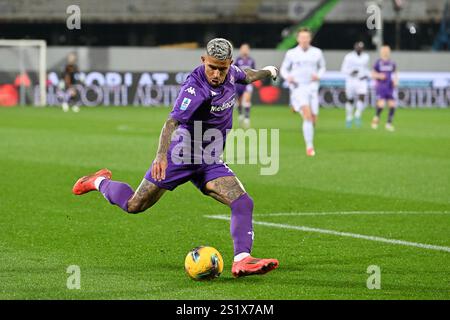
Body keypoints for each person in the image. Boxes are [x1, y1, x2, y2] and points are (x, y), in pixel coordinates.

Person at [72, 38, 280, 278]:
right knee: (134, 205)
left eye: (221, 69)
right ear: (203, 60)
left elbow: (247, 74)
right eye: (211, 67)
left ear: (229, 64)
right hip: (181, 157)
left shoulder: (231, 73)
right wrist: (161, 156)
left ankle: (242, 260)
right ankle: (98, 181)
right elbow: (172, 121)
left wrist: (269, 71)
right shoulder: (196, 88)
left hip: (209, 158)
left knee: (243, 202)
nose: (215, 73)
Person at [280, 27, 326, 157]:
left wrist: (319, 75)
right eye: (302, 37)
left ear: (310, 39)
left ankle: (295, 106)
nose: (304, 40)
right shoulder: (291, 53)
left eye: (307, 37)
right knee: (307, 115)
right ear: (298, 38)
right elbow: (284, 69)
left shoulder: (317, 52)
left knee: (313, 119)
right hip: (298, 87)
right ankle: (309, 147)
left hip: (312, 87)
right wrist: (287, 76)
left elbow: (322, 67)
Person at [341, 42, 370, 128]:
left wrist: (367, 75)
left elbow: (366, 68)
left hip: (361, 80)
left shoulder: (366, 57)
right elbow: (343, 69)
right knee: (350, 99)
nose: (359, 49)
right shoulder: (349, 57)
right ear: (355, 47)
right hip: (351, 80)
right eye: (358, 47)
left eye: (361, 48)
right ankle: (349, 117)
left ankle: (358, 114)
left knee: (362, 96)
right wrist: (351, 72)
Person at [371, 45, 398, 132]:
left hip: (390, 87)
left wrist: (396, 81)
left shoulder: (392, 63)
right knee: (381, 105)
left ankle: (388, 124)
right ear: (381, 52)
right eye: (384, 51)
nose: (386, 52)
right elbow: (373, 74)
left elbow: (395, 73)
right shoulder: (378, 63)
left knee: (392, 105)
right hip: (381, 87)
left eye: (387, 51)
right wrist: (379, 76)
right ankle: (376, 118)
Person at [234, 43, 256, 129]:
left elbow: (254, 72)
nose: (245, 50)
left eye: (246, 49)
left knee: (247, 99)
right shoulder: (237, 60)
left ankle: (247, 118)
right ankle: (240, 115)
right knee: (239, 101)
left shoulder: (251, 61)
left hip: (248, 83)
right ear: (241, 50)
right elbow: (234, 71)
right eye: (243, 49)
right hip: (239, 83)